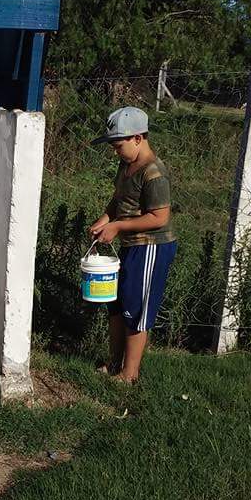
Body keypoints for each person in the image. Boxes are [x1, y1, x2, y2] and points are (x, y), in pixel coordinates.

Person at [89, 106, 177, 383]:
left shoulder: (154, 172)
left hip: (151, 246)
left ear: (138, 138)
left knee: (136, 309)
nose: (116, 152)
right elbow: (119, 200)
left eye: (119, 146)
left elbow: (159, 217)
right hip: (131, 244)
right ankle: (115, 363)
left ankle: (129, 374)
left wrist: (117, 227)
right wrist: (104, 220)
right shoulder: (126, 165)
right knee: (117, 304)